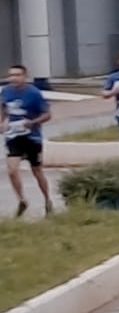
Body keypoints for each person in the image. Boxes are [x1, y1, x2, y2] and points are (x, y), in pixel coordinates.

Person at [4, 64, 52, 217]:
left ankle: (47, 200)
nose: (14, 78)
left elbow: (47, 114)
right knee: (12, 170)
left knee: (37, 170)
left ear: (24, 77)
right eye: (11, 75)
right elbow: (3, 108)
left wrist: (32, 122)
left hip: (32, 137)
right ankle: (22, 200)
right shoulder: (6, 91)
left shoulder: (33, 93)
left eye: (17, 75)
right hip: (13, 136)